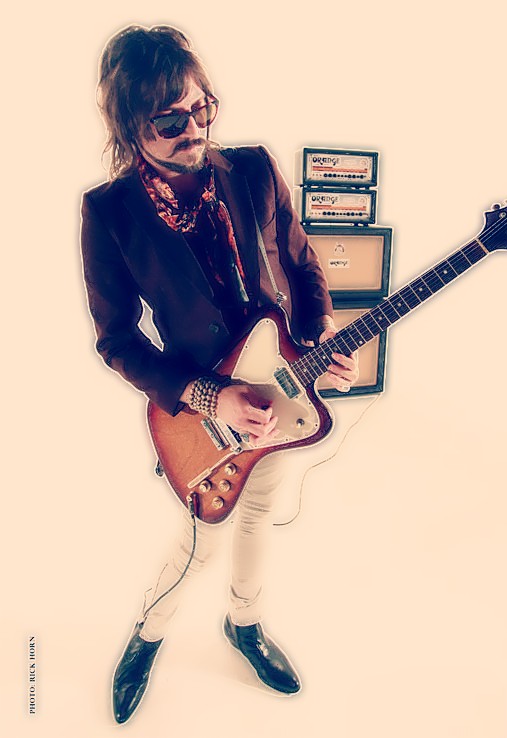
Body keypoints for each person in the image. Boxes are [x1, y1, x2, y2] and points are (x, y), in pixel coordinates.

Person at [81, 24, 358, 724]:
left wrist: (321, 332)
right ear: (129, 124)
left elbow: (301, 263)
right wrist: (211, 396)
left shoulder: (255, 169)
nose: (195, 130)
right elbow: (117, 341)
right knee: (199, 544)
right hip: (201, 414)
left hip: (282, 390)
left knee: (261, 513)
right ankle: (147, 636)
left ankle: (245, 623)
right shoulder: (109, 212)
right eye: (171, 120)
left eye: (202, 108)